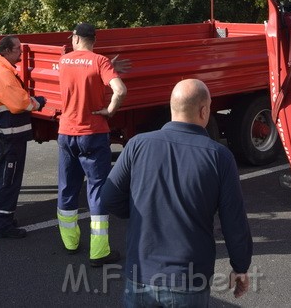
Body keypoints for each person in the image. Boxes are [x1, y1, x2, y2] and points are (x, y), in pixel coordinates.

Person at [102, 78, 252, 307]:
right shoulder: (219, 157)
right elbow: (234, 220)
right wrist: (240, 267)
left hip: (141, 275)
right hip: (190, 279)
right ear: (204, 111)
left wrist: (139, 210)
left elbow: (109, 198)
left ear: (173, 107)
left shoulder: (137, 145)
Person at [56, 22, 127, 267]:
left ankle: (70, 243)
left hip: (66, 132)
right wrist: (109, 110)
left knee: (67, 187)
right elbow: (120, 90)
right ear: (93, 40)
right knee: (96, 190)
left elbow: (77, 74)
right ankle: (98, 253)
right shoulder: (100, 62)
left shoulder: (64, 61)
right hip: (93, 133)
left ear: (75, 38)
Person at [0, 35, 45, 239]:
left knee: (2, 177)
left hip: (2, 134)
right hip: (9, 136)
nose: (21, 52)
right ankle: (2, 225)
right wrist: (39, 101)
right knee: (8, 179)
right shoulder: (2, 74)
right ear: (7, 51)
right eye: (18, 49)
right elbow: (21, 103)